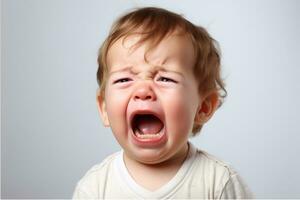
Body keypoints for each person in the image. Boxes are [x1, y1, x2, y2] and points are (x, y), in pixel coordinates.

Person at [73, 7, 252, 199]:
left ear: (204, 106)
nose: (143, 91)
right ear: (105, 108)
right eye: (124, 80)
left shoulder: (218, 182)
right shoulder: (95, 188)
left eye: (165, 79)